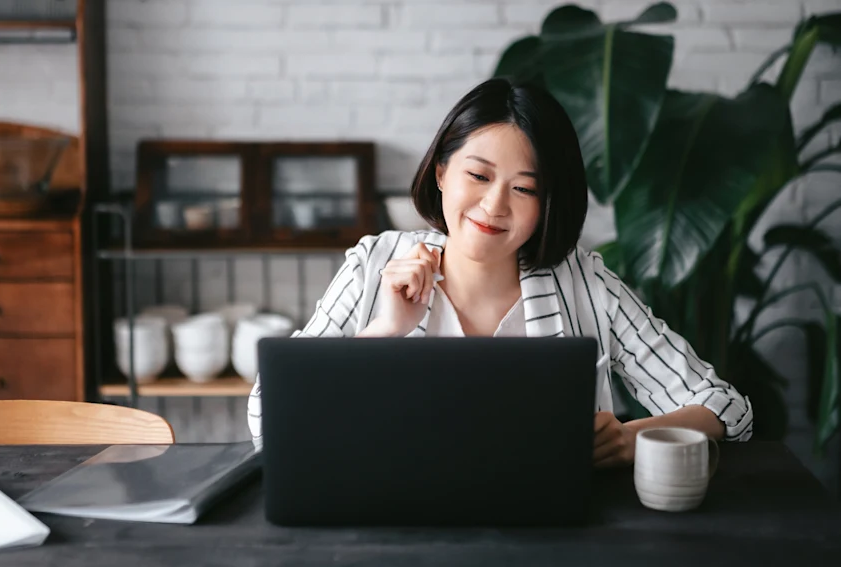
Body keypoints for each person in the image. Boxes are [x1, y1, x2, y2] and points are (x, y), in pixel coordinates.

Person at [247, 77, 753, 465]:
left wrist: (630, 436)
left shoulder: (585, 283)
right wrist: (384, 331)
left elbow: (725, 407)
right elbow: (270, 416)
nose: (494, 206)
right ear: (441, 172)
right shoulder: (374, 265)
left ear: (547, 202)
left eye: (524, 188)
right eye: (478, 175)